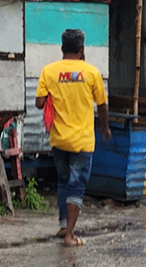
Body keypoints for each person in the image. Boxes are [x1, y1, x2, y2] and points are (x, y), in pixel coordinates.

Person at [34, 29, 109, 246]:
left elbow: (39, 103)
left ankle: (63, 225)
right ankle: (69, 235)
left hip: (59, 140)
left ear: (62, 48)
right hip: (83, 142)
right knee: (77, 186)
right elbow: (102, 105)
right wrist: (105, 128)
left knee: (64, 181)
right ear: (82, 49)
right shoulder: (91, 72)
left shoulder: (49, 71)